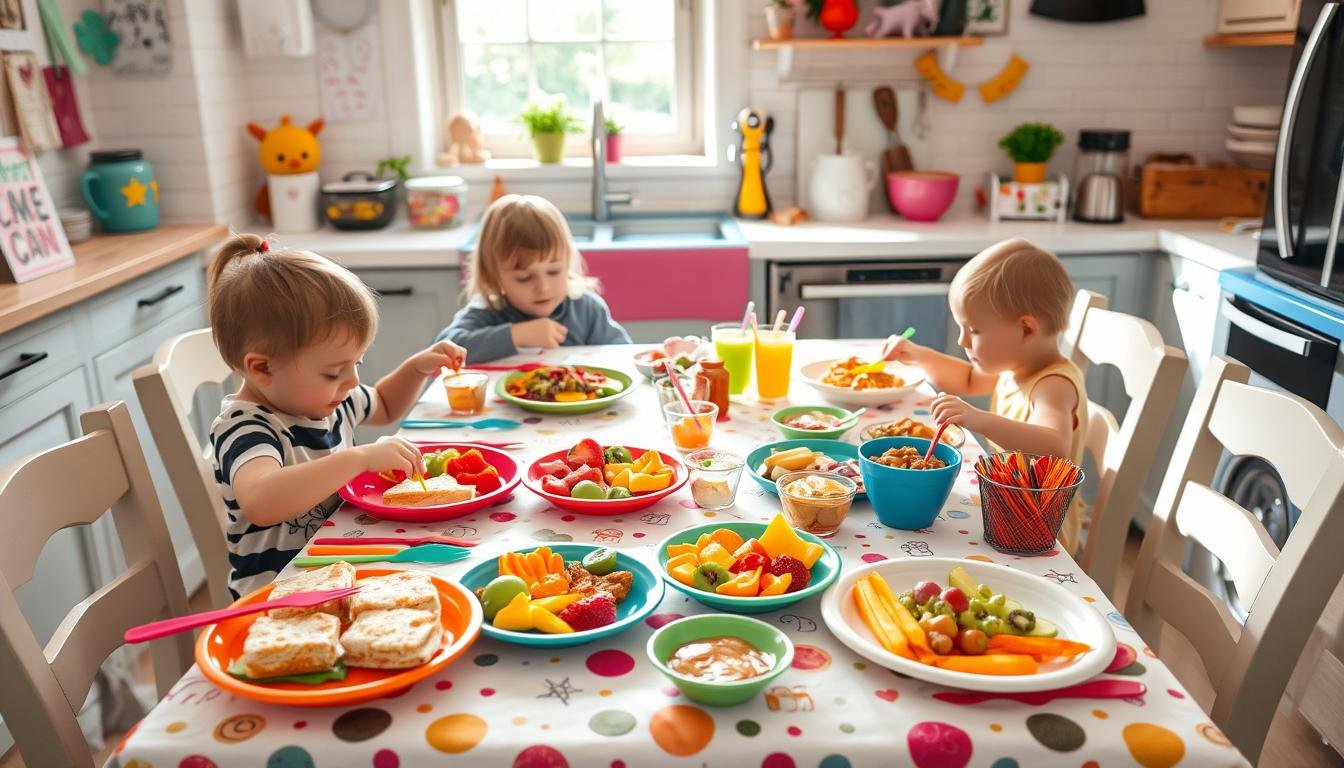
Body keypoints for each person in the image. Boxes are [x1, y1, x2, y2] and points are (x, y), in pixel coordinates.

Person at [207, 233, 467, 597]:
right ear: (262, 368)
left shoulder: (329, 399)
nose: (352, 380)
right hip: (277, 596)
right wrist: (358, 458)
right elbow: (262, 500)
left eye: (356, 363)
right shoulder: (246, 426)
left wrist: (415, 369)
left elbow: (385, 405)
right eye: (333, 371)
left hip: (339, 569)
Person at [883, 238, 1088, 553]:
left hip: (1041, 529)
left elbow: (1054, 447)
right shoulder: (1016, 365)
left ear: (1027, 329)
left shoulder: (1053, 384)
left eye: (974, 330)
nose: (962, 339)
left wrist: (980, 420)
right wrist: (919, 354)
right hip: (1007, 509)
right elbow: (966, 378)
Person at [437, 194, 630, 363]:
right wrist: (515, 335)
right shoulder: (489, 311)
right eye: (524, 277)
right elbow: (443, 349)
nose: (543, 287)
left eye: (554, 271)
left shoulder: (587, 310)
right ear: (494, 276)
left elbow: (623, 355)